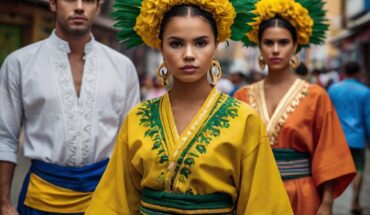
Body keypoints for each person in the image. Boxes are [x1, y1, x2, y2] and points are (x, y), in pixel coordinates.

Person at [85, 1, 293, 214]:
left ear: (216, 45)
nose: (189, 54)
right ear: (161, 47)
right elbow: (113, 201)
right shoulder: (138, 118)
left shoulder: (244, 119)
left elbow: (264, 204)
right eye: (176, 44)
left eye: (201, 43)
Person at [0, 0, 140, 214]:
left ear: (99, 6)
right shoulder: (19, 63)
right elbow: (5, 137)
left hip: (105, 200)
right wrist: (4, 204)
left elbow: (131, 142)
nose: (79, 6)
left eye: (88, 1)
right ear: (53, 3)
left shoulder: (123, 68)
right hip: (40, 200)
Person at [234, 0, 356, 214]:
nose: (275, 49)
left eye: (283, 42)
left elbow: (329, 152)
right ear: (259, 46)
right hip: (254, 195)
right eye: (268, 42)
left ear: (295, 46)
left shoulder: (316, 96)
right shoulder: (242, 96)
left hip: (302, 194)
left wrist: (326, 203)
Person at [328, 61, 370, 215]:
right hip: (357, 138)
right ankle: (355, 201)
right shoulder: (365, 92)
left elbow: (327, 113)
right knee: (358, 169)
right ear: (359, 72)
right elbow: (368, 117)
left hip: (337, 137)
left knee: (333, 170)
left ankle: (329, 200)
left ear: (344, 71)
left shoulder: (333, 89)